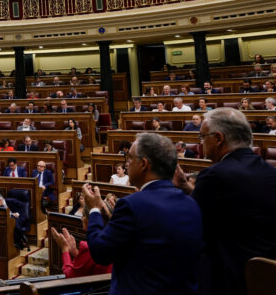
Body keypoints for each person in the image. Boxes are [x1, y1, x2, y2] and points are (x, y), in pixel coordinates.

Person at [83, 133, 203, 295]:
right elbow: (148, 239)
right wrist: (112, 220)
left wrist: (95, 209)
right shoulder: (192, 204)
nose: (127, 164)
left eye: (130, 158)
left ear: (144, 164)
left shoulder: (132, 205)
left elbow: (100, 252)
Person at [172, 108, 276, 295]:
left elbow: (189, 224)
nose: (201, 143)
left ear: (218, 138)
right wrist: (188, 187)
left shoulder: (214, 175)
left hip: (229, 279)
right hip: (266, 276)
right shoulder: (269, 171)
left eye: (202, 137)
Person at [51, 210, 113, 278]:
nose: (81, 218)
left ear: (90, 220)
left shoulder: (89, 248)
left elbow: (70, 275)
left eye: (83, 215)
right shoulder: (113, 239)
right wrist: (75, 252)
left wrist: (64, 249)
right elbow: (92, 265)